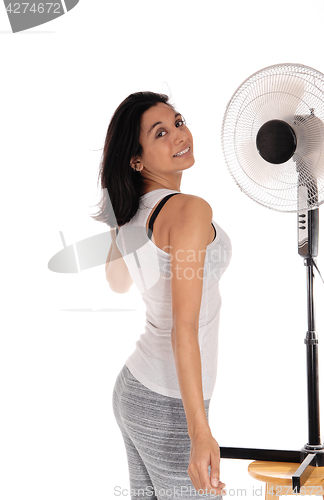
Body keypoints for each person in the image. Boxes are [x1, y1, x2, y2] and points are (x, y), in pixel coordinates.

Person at [92, 92, 232, 499]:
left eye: (178, 122)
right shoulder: (189, 210)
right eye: (160, 133)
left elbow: (117, 282)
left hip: (135, 389)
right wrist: (199, 432)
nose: (180, 135)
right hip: (170, 406)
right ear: (136, 160)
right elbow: (182, 327)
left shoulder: (135, 214)